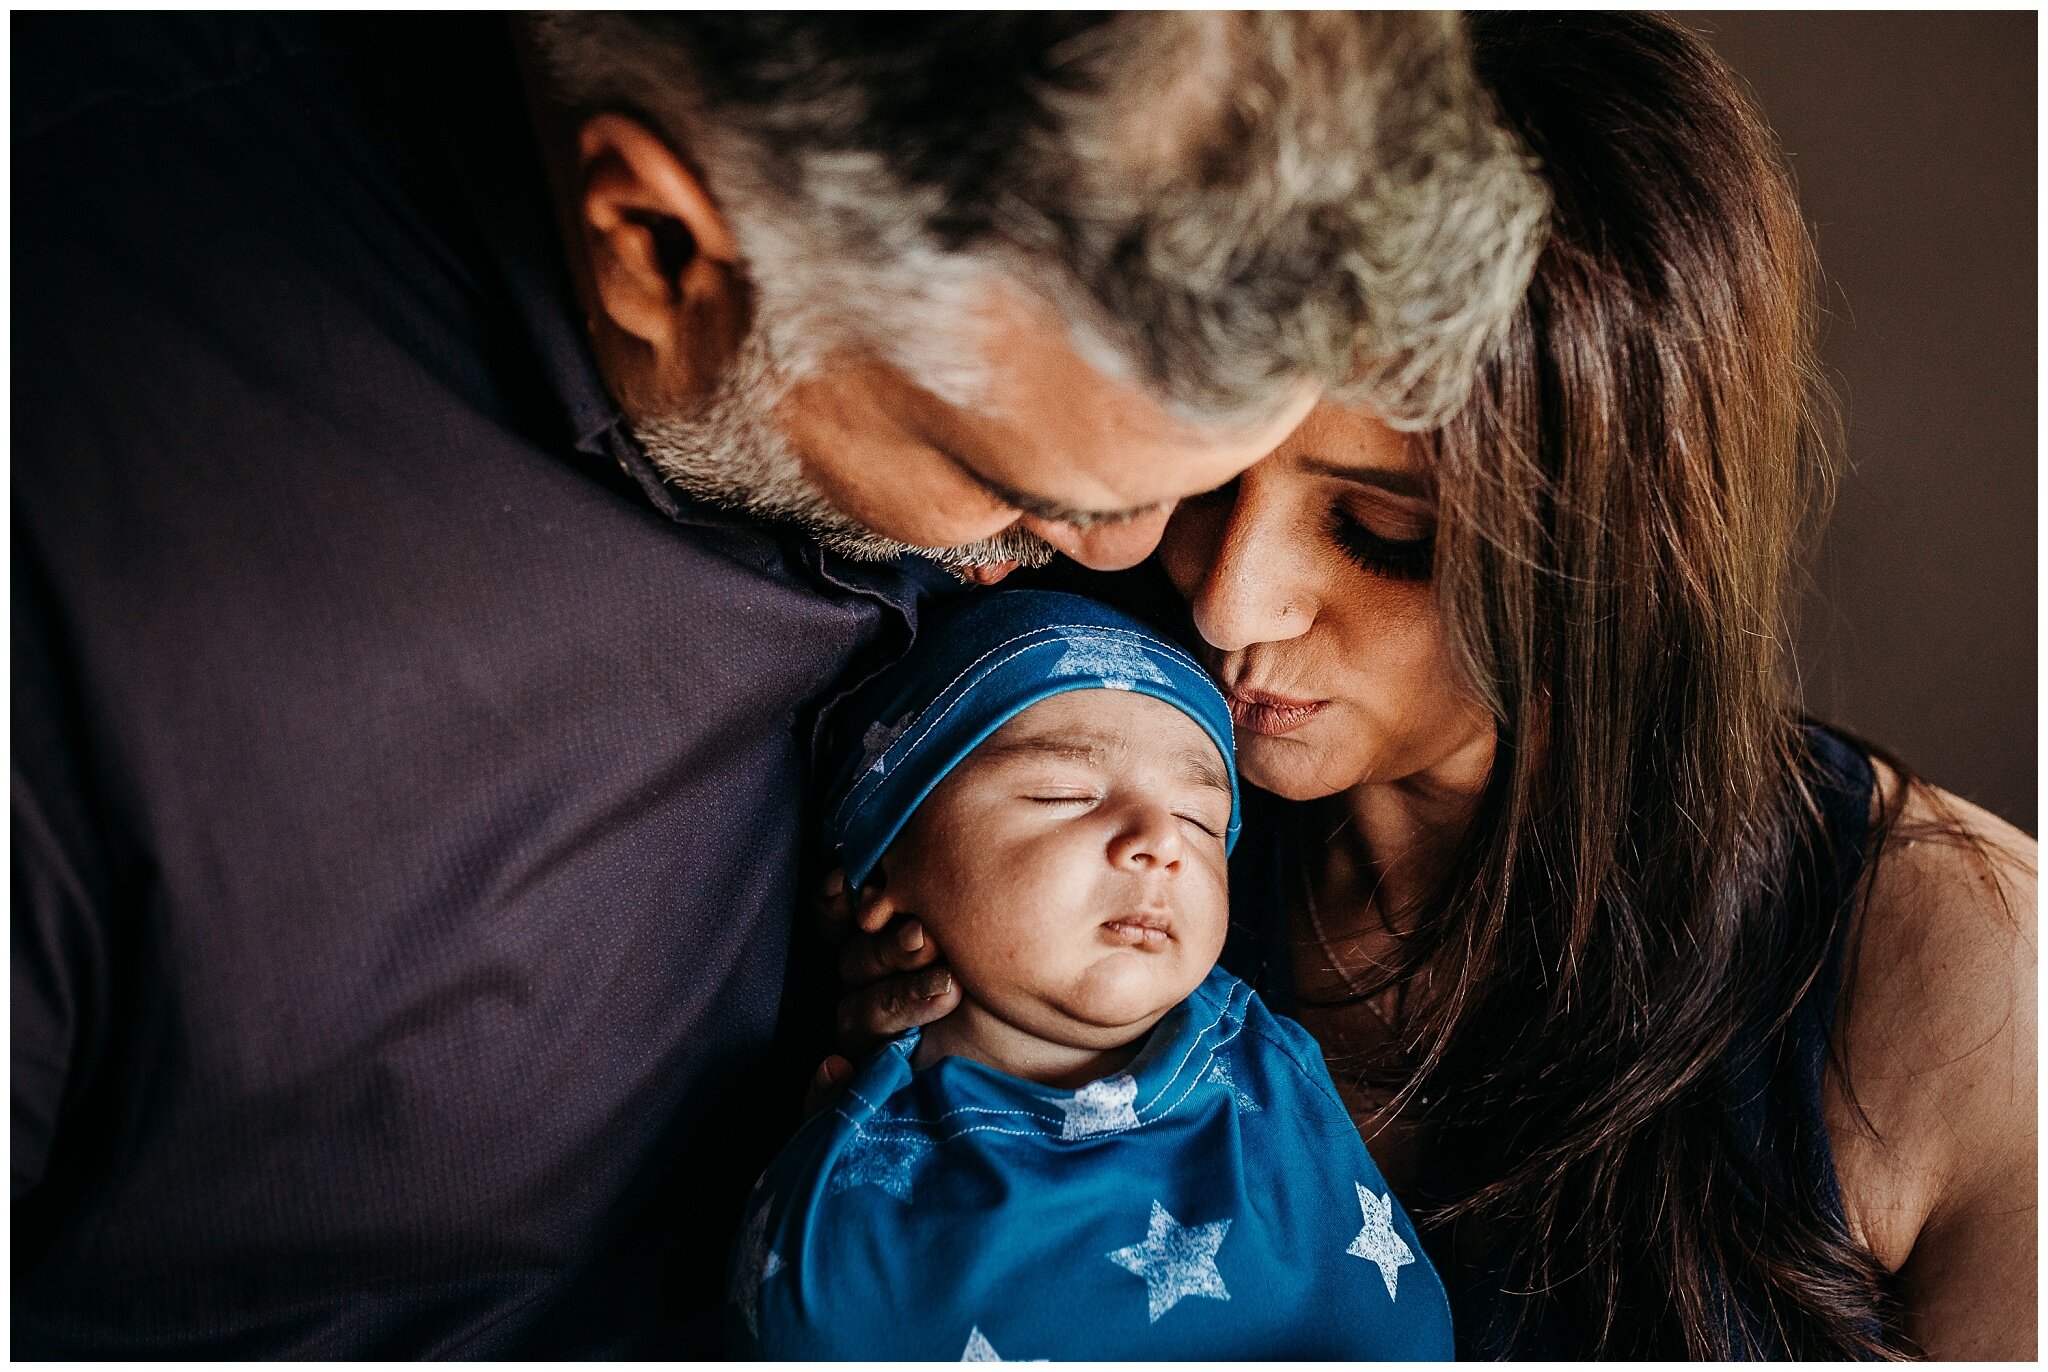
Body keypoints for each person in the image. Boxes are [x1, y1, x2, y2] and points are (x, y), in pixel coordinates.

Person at [10, 11, 1551, 1358]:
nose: (1180, 583)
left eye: (1197, 486)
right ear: (662, 251)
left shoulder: (1071, 409)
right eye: (1024, 490)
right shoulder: (86, 555)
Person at [830, 12, 2036, 1360]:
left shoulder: (1975, 986)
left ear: (1617, 542)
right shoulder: (1062, 734)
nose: (1229, 602)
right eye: (1205, 478)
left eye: (1384, 535)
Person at [736, 592, 1450, 1360]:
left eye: (1202, 822)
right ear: (878, 878)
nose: (1159, 844)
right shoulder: (839, 1218)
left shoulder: (1272, 1073)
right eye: (1063, 796)